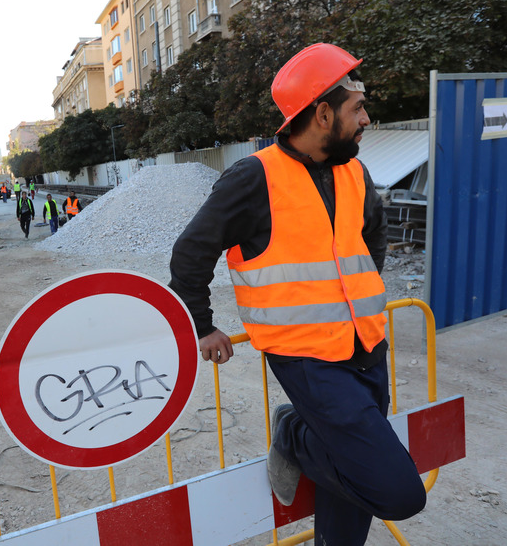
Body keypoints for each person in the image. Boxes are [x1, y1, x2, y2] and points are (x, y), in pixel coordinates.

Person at [168, 43, 425, 545]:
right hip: (306, 357)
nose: (366, 118)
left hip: (368, 346)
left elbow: (371, 240)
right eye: (357, 108)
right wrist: (201, 323)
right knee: (398, 492)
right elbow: (191, 254)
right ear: (323, 113)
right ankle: (294, 432)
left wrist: (358, 295)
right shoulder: (254, 177)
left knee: (349, 488)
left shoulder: (355, 172)